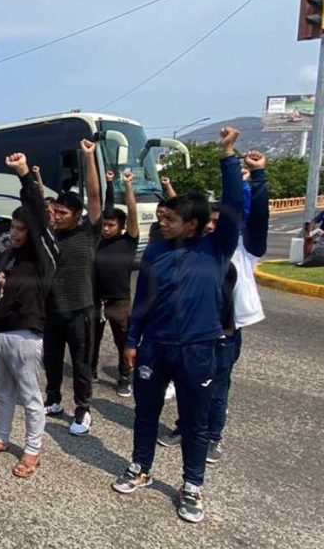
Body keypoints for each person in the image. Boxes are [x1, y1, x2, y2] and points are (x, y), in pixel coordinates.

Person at [112, 127, 245, 524]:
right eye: (163, 217)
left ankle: (192, 486)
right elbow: (143, 301)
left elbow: (235, 206)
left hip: (199, 350)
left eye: (170, 218)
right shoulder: (154, 251)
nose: (163, 222)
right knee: (145, 413)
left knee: (195, 421)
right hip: (155, 346)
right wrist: (132, 340)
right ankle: (141, 467)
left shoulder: (215, 248)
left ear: (193, 224)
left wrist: (229, 154)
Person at [159, 151, 268, 465]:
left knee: (218, 386)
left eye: (220, 223)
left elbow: (257, 215)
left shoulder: (245, 247)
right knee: (188, 382)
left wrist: (257, 176)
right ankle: (185, 426)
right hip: (191, 329)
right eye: (210, 222)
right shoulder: (196, 248)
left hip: (224, 332)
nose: (213, 227)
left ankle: (212, 436)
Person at [0, 152, 58, 480]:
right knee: (2, 391)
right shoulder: (7, 254)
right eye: (15, 227)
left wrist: (24, 174)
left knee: (30, 396)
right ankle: (1, 437)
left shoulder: (43, 255)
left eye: (24, 228)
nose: (18, 233)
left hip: (26, 333)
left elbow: (37, 215)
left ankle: (32, 450)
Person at [42, 138, 103, 435]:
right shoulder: (51, 236)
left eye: (62, 213)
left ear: (76, 215)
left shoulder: (89, 233)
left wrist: (89, 157)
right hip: (52, 311)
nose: (56, 217)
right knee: (51, 361)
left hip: (80, 311)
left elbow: (94, 195)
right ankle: (53, 400)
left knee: (80, 365)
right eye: (55, 212)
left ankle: (82, 410)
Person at [92, 169, 140, 397]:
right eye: (104, 224)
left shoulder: (128, 241)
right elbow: (102, 203)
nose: (106, 228)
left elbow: (132, 213)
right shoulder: (98, 241)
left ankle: (124, 377)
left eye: (111, 225)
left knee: (123, 341)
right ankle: (89, 370)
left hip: (119, 301)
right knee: (92, 338)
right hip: (95, 300)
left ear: (120, 226)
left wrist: (128, 186)